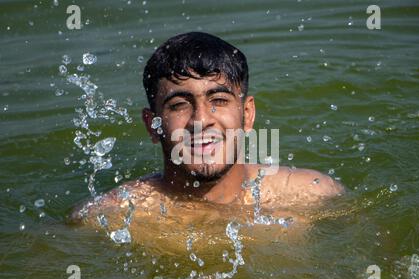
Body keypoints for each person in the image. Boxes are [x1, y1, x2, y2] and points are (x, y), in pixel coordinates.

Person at [71, 32, 344, 251]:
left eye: (219, 100)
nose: (201, 120)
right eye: (179, 104)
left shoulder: (312, 195)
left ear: (247, 114)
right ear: (152, 125)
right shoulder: (111, 218)